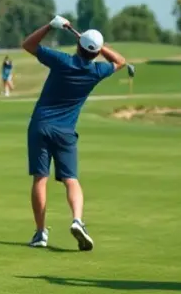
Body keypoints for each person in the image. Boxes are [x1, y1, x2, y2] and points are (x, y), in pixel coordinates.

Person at [21, 16, 127, 250]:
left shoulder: (62, 61)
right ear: (96, 52)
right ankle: (77, 219)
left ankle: (40, 233)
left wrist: (50, 25)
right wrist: (95, 47)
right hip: (66, 131)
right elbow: (120, 61)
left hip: (40, 125)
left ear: (78, 47)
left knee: (40, 178)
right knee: (71, 179)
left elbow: (28, 45)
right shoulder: (97, 71)